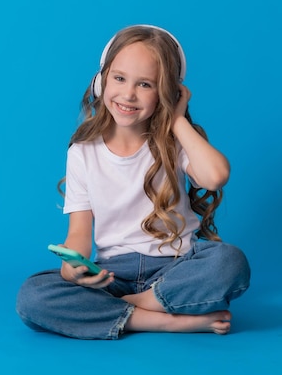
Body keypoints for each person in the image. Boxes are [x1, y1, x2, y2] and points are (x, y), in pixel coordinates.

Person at [16, 24, 250, 340]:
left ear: (166, 93)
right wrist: (72, 267)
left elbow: (216, 176)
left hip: (176, 269)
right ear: (101, 82)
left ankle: (128, 309)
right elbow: (79, 235)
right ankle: (165, 319)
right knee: (33, 296)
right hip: (114, 275)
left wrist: (177, 118)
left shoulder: (174, 141)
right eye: (119, 78)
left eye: (145, 84)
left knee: (228, 262)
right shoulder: (83, 152)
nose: (128, 94)